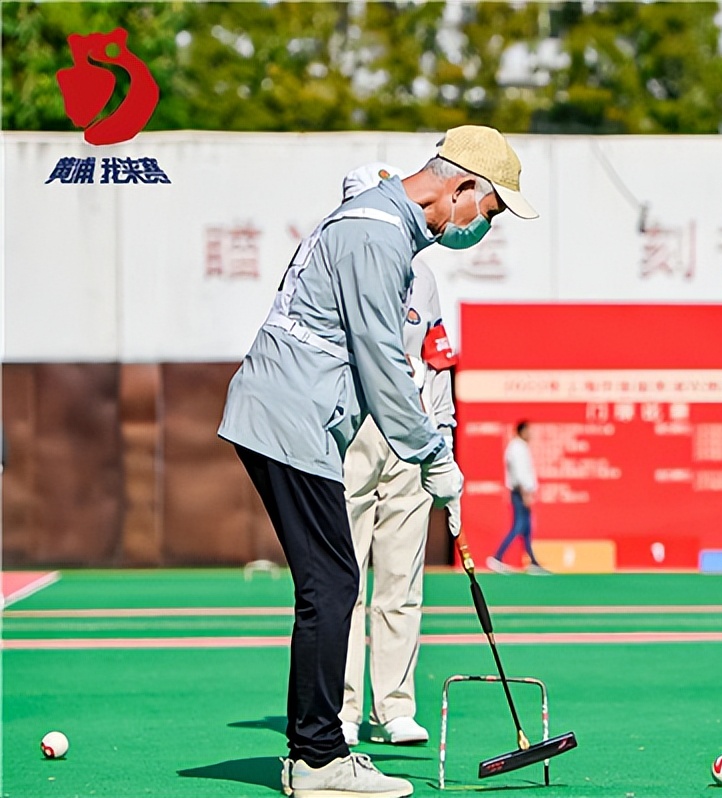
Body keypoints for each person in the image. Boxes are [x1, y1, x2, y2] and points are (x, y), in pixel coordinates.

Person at [218, 127, 537, 798]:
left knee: (329, 581)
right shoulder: (376, 234)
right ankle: (317, 759)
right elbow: (383, 363)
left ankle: (320, 750)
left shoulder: (387, 231)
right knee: (333, 582)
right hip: (288, 416)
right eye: (490, 210)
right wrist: (433, 455)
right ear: (460, 189)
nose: (485, 225)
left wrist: (429, 448)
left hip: (295, 415)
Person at [337, 163, 457, 749]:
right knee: (344, 579)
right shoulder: (346, 259)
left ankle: (394, 705)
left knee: (402, 578)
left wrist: (445, 440)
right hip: (353, 432)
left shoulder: (423, 277)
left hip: (410, 436)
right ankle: (342, 709)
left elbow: (435, 362)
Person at [487, 421, 548, 574]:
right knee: (519, 526)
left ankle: (532, 561)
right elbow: (520, 474)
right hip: (520, 493)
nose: (531, 434)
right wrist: (525, 493)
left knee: (527, 528)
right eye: (528, 431)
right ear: (521, 431)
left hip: (522, 492)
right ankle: (497, 557)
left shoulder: (520, 447)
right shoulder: (517, 448)